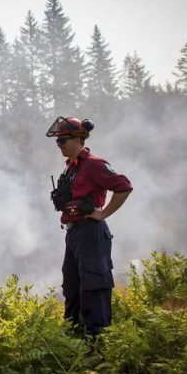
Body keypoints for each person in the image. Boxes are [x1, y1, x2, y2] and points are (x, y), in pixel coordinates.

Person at [46, 117, 132, 336]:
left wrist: (103, 214)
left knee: (95, 287)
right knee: (72, 288)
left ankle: (99, 346)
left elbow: (123, 186)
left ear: (78, 138)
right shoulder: (72, 168)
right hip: (74, 234)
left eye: (63, 140)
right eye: (57, 142)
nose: (59, 145)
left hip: (91, 233)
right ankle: (73, 342)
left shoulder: (94, 164)